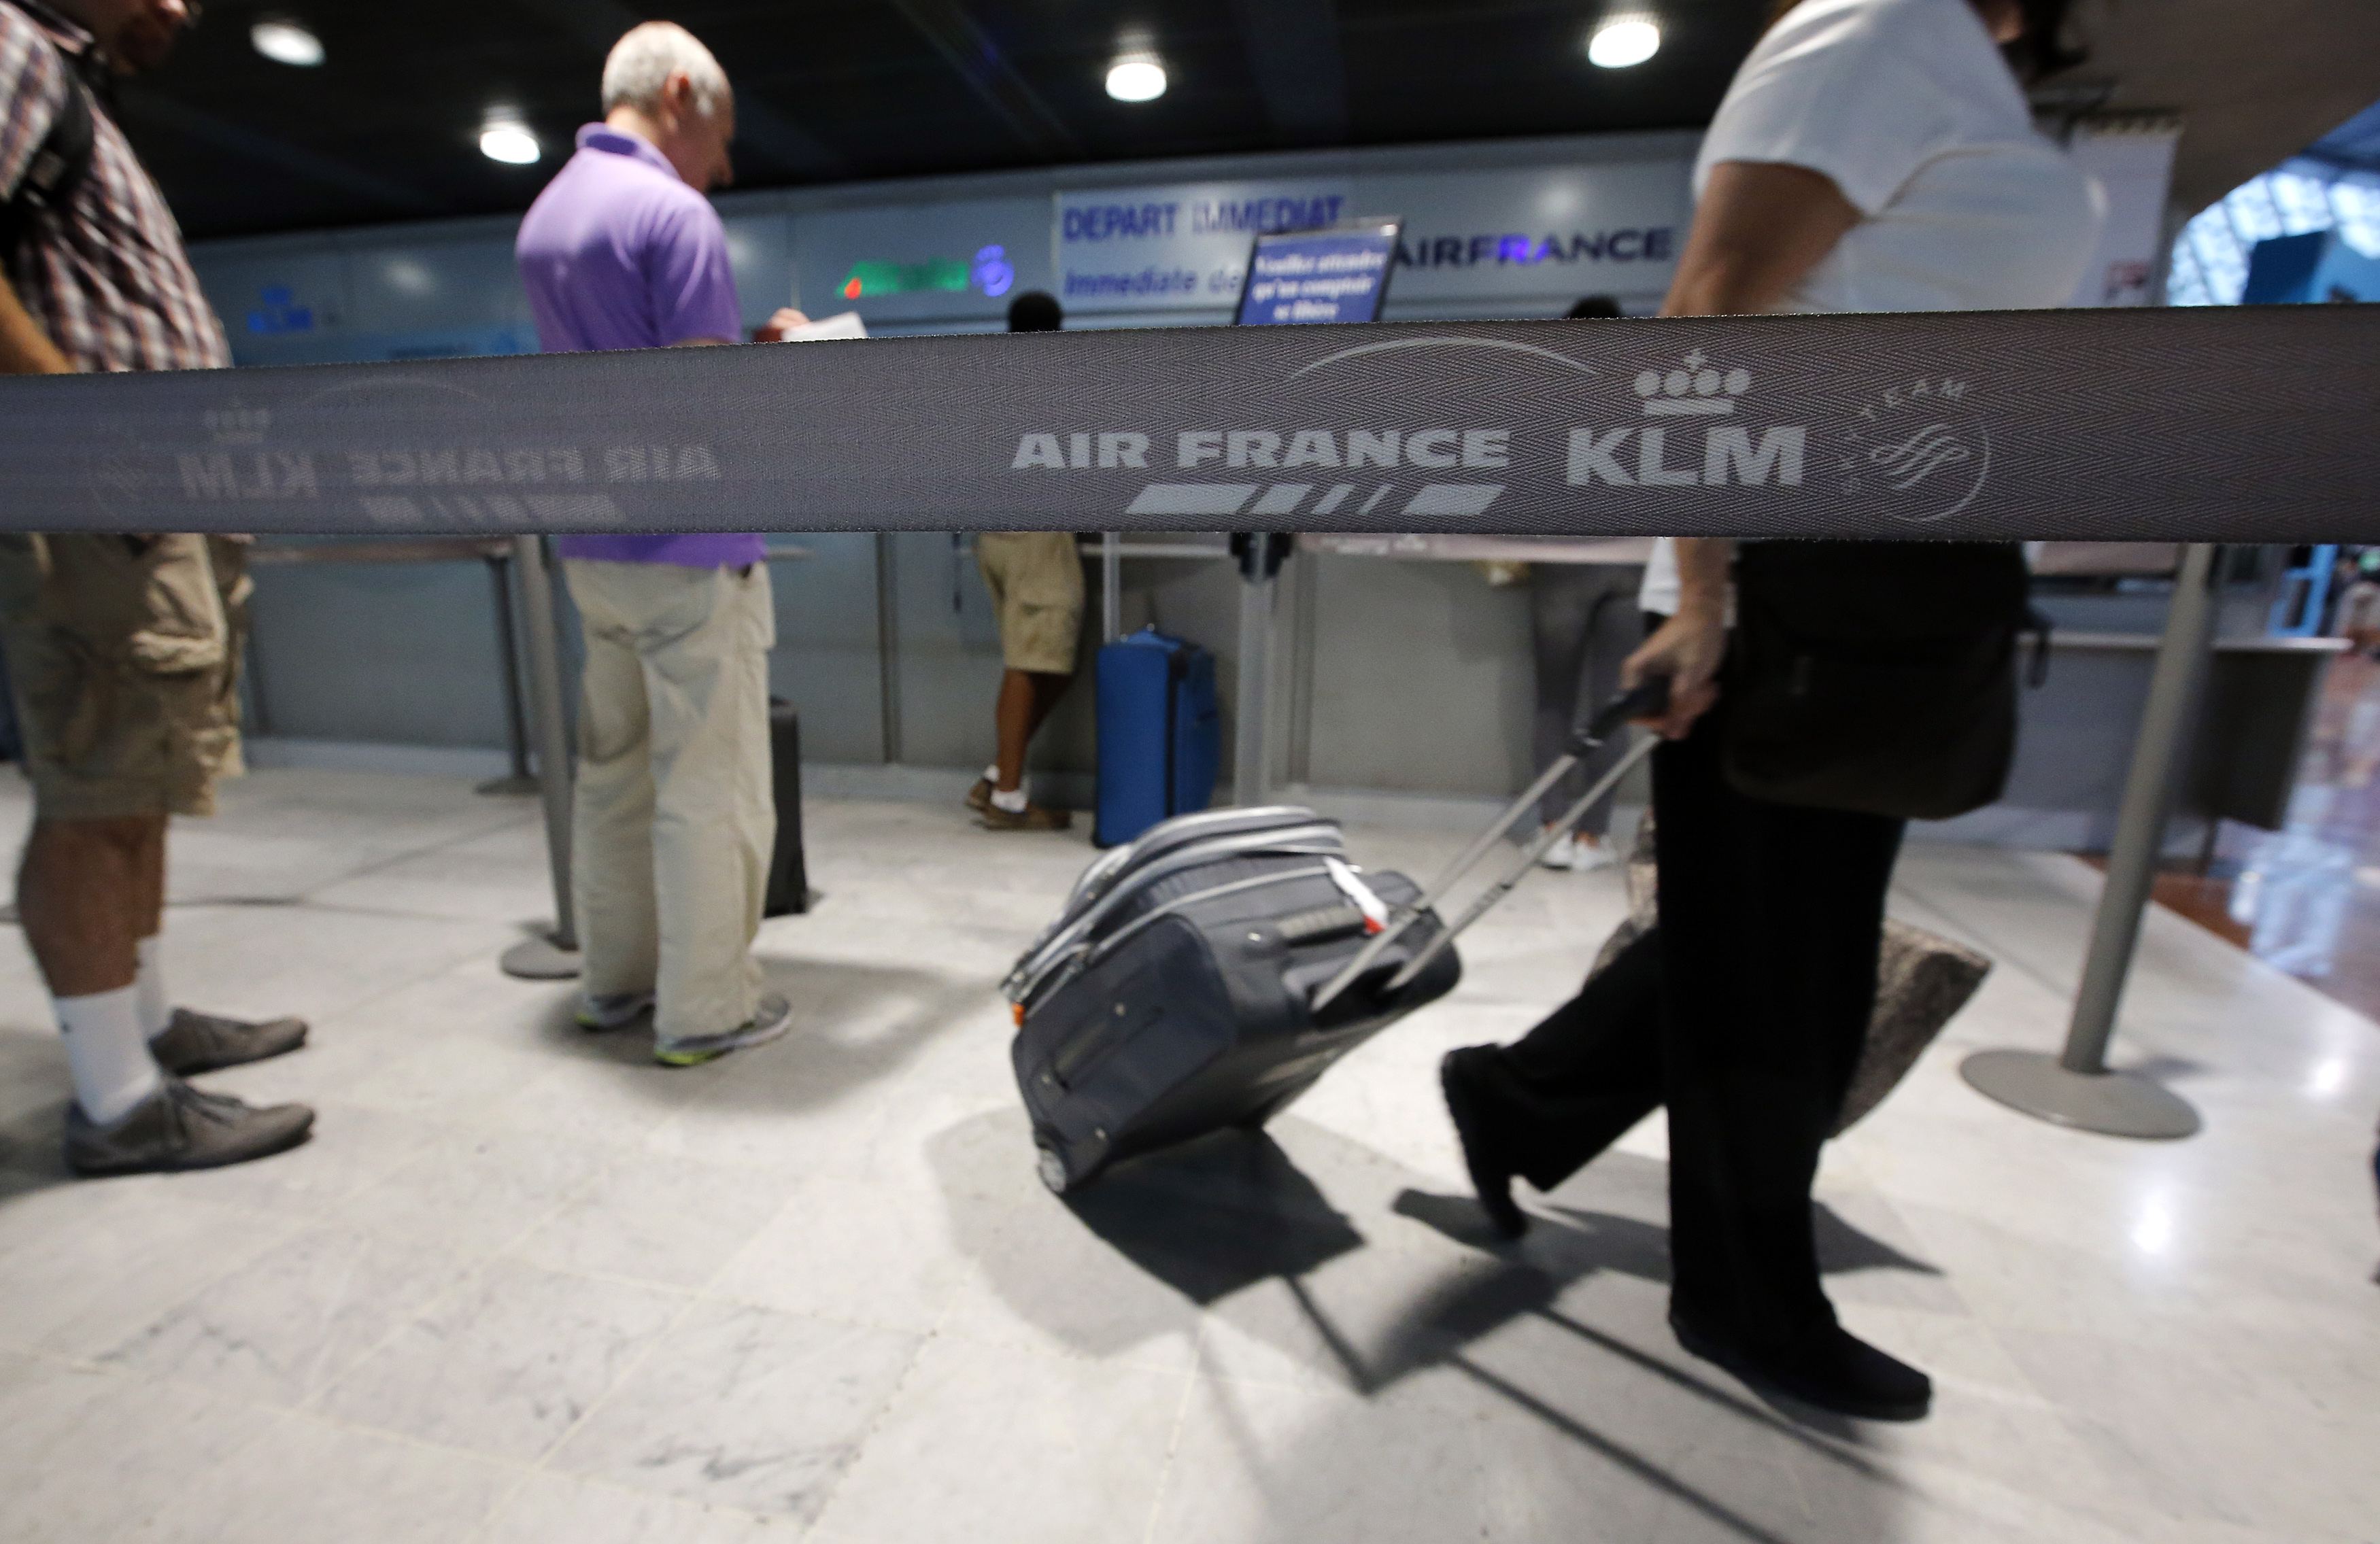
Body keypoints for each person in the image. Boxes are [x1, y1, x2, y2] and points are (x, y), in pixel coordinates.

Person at [1440, 0, 2103, 1422]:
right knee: (1784, 982)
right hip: (1791, 577)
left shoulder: (1957, 65)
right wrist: (1699, 596)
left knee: (1768, 939)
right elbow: (1706, 318)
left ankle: (1515, 1096)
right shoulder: (1873, 27)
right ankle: (1745, 1292)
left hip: (1901, 573)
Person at [0, 0, 314, 1176]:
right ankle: (120, 1100)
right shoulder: (10, 46)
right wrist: (93, 447)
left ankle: (145, 1022)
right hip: (98, 507)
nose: (181, 7)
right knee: (97, 792)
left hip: (153, 505)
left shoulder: (70, 85)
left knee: (141, 782)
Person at [515, 20, 808, 1067]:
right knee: (707, 785)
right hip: (693, 546)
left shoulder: (546, 217)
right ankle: (705, 1010)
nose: (722, 170)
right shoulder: (672, 214)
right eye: (721, 141)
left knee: (614, 779)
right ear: (680, 94)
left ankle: (613, 983)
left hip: (593, 549)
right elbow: (697, 408)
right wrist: (771, 367)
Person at [965, 290, 1085, 833]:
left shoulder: (992, 378)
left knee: (1045, 662)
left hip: (996, 535)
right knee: (1032, 664)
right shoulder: (1050, 380)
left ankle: (997, 776)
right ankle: (1007, 797)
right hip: (1035, 536)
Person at [1527, 294, 1635, 872]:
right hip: (1632, 561)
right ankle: (1594, 838)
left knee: (1554, 700)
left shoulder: (1550, 397)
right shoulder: (1645, 395)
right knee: (1611, 705)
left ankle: (1552, 829)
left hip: (1561, 562)